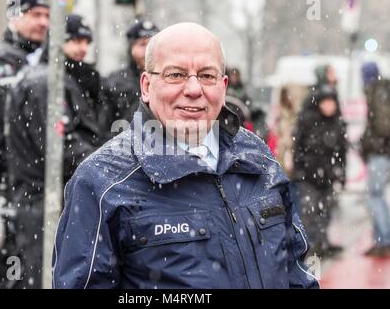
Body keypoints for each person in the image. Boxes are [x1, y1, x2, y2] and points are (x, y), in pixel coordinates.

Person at [52, 22, 319, 289]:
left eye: (206, 75)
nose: (193, 89)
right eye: (176, 75)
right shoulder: (101, 181)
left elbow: (296, 271)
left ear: (223, 86)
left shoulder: (257, 157)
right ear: (146, 86)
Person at [0, 14, 106, 289]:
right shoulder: (48, 83)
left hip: (38, 201)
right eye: (74, 40)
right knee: (44, 276)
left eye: (85, 41)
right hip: (44, 204)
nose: (82, 48)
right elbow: (61, 147)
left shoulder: (48, 79)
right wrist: (107, 163)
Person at [0, 0, 50, 188]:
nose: (43, 22)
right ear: (14, 15)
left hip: (36, 172)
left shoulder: (41, 58)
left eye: (47, 16)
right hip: (10, 175)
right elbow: (19, 114)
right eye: (36, 14)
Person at [293, 84, 347, 258]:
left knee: (326, 212)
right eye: (325, 102)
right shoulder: (308, 120)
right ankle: (311, 247)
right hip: (309, 175)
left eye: (332, 103)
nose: (329, 107)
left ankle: (323, 243)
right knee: (310, 213)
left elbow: (342, 151)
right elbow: (298, 147)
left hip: (329, 176)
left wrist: (341, 173)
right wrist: (300, 169)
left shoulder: (338, 122)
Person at [103, 19, 159, 123]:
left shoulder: (172, 80)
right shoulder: (114, 83)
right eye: (142, 44)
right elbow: (104, 126)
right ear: (131, 49)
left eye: (152, 45)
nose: (148, 50)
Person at [360, 62, 390, 256]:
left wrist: (369, 141)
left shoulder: (376, 92)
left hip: (380, 152)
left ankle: (384, 239)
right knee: (376, 195)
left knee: (374, 195)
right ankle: (381, 239)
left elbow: (382, 125)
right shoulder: (381, 90)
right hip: (381, 151)